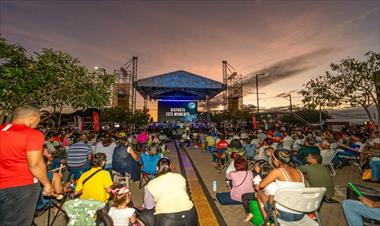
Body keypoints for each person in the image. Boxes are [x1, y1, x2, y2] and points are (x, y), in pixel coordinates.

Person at [0, 105, 54, 226]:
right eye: (38, 119)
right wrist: (47, 184)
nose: (38, 122)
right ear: (31, 118)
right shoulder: (32, 135)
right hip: (22, 187)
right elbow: (35, 165)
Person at [145, 158, 198, 226]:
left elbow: (149, 206)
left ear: (157, 168)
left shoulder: (151, 184)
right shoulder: (180, 177)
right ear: (170, 167)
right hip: (191, 215)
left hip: (168, 219)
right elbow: (184, 193)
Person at [259, 149, 306, 222]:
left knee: (259, 193)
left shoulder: (278, 171)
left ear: (276, 160)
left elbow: (261, 185)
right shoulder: (299, 171)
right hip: (300, 213)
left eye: (272, 159)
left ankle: (266, 221)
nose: (272, 161)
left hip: (285, 214)